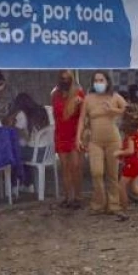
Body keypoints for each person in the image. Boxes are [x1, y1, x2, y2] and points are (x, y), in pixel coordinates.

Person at [77, 71, 127, 216]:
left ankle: (113, 204)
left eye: (101, 80)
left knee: (112, 173)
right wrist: (78, 137)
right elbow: (81, 119)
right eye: (96, 81)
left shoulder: (115, 96)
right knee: (96, 172)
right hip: (95, 141)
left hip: (113, 140)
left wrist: (113, 110)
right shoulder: (88, 98)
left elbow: (127, 110)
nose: (98, 83)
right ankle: (99, 203)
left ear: (107, 81)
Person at [51, 70, 85, 209]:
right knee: (64, 167)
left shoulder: (79, 93)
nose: (65, 81)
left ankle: (78, 197)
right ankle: (67, 197)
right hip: (61, 133)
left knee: (76, 166)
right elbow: (55, 114)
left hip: (75, 134)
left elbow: (84, 115)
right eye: (62, 78)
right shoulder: (55, 94)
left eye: (67, 78)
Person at [11, 92, 51, 194]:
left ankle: (14, 186)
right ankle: (28, 184)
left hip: (35, 153)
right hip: (47, 152)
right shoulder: (42, 110)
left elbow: (23, 136)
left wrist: (13, 125)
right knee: (23, 149)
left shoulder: (21, 114)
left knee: (13, 153)